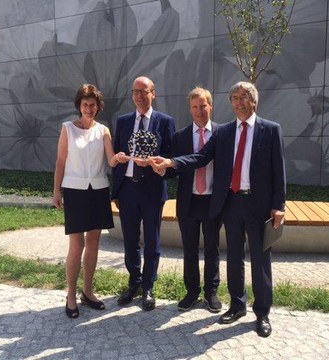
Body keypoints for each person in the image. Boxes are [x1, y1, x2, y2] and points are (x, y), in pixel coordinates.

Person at [151, 81, 285, 337]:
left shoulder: (270, 130)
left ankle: (262, 312)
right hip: (231, 204)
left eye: (243, 97)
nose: (238, 102)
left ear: (254, 101)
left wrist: (278, 205)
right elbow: (201, 157)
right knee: (234, 257)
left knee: (260, 259)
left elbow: (279, 170)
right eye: (234, 97)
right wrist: (171, 162)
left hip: (259, 206)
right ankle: (237, 304)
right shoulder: (223, 134)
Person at [53, 84, 129, 319]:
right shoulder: (68, 128)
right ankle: (71, 295)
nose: (89, 108)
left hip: (98, 190)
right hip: (74, 191)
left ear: (98, 107)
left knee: (94, 243)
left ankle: (88, 291)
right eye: (85, 104)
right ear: (79, 105)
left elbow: (110, 160)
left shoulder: (103, 131)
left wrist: (118, 157)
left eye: (93, 105)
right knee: (77, 245)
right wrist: (56, 191)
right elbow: (61, 162)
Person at [112, 76, 176, 311]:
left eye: (144, 91)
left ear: (153, 94)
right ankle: (134, 283)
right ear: (132, 95)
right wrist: (117, 189)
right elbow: (118, 156)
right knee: (130, 240)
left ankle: (149, 286)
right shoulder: (123, 121)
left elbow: (172, 158)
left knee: (152, 240)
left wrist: (162, 167)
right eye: (136, 91)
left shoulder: (165, 122)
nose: (140, 95)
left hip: (152, 190)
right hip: (128, 189)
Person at [167, 87, 222, 312]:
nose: (200, 111)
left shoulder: (223, 133)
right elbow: (172, 170)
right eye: (195, 107)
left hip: (212, 200)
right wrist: (157, 167)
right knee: (189, 249)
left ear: (211, 106)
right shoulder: (180, 137)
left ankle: (211, 292)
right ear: (190, 110)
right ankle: (192, 291)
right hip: (188, 201)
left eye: (203, 106)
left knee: (212, 248)